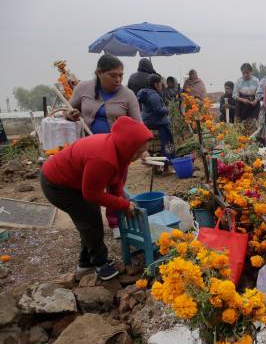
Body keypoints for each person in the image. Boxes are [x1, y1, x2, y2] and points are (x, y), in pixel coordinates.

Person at [41, 116, 153, 280]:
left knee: (88, 219)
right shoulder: (103, 158)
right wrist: (123, 204)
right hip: (57, 185)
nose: (138, 156)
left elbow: (117, 183)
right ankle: (100, 264)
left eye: (141, 151)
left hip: (75, 183)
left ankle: (85, 264)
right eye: (137, 151)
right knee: (90, 220)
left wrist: (123, 202)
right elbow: (91, 194)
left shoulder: (120, 151)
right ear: (128, 146)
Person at [66, 54, 144, 237]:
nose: (118, 79)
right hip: (88, 150)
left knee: (116, 185)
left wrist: (143, 149)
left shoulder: (127, 95)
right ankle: (91, 225)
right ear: (99, 73)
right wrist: (71, 115)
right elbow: (68, 110)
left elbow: (139, 125)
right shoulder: (83, 88)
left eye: (121, 75)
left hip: (117, 153)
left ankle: (115, 222)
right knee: (90, 187)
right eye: (113, 75)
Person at [137, 74, 176, 162]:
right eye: (160, 84)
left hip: (147, 122)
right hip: (157, 122)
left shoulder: (145, 93)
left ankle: (158, 164)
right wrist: (167, 109)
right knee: (168, 141)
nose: (162, 86)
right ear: (155, 84)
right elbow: (158, 110)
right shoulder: (153, 95)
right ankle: (169, 160)